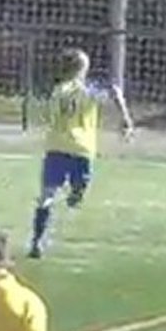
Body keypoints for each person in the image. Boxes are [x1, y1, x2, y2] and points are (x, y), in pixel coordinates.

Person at [28, 48, 133, 258]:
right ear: (83, 69)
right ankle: (75, 195)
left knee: (46, 196)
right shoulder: (88, 90)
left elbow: (45, 113)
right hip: (81, 149)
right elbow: (114, 91)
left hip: (56, 147)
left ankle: (37, 241)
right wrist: (125, 119)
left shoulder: (57, 91)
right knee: (79, 190)